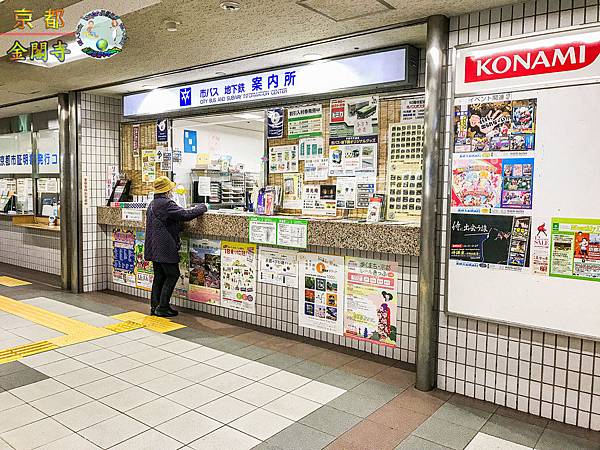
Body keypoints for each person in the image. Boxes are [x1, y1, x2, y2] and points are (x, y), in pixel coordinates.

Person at [145, 176, 207, 317]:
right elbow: (185, 214)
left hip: (154, 248)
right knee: (173, 275)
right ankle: (163, 307)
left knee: (159, 277)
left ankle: (155, 307)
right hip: (164, 248)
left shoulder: (153, 203)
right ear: (167, 190)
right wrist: (202, 207)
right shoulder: (166, 204)